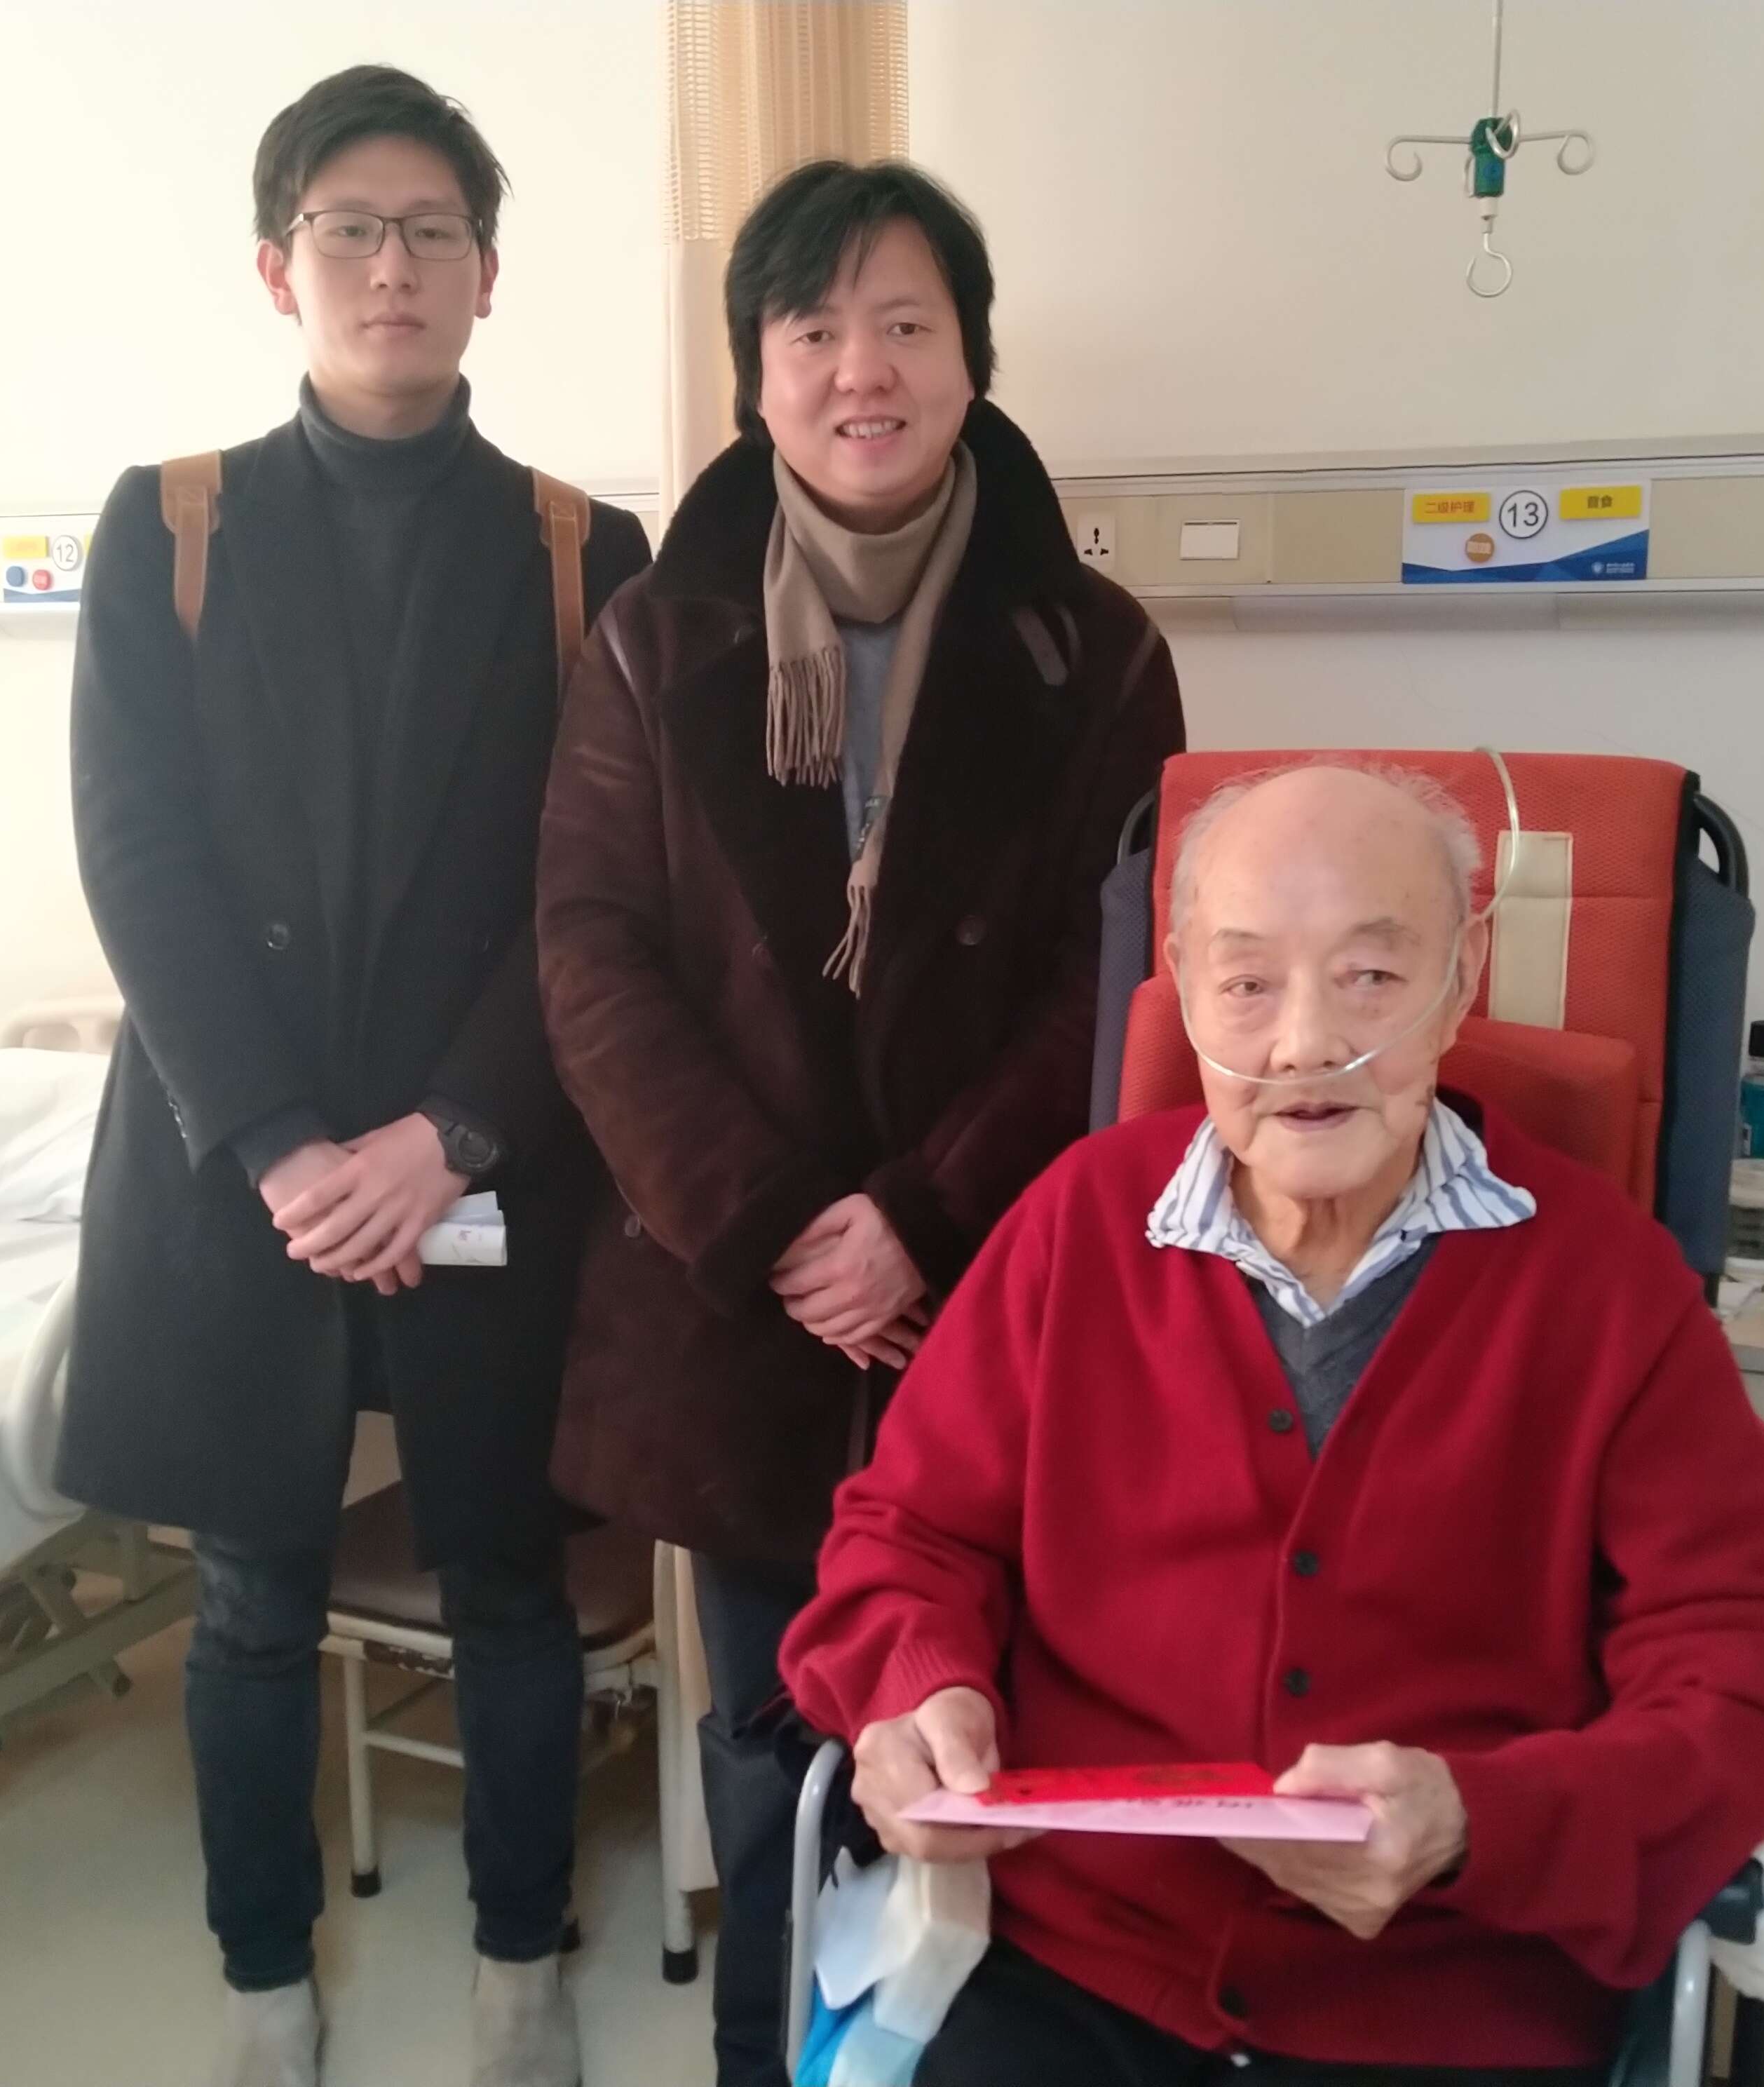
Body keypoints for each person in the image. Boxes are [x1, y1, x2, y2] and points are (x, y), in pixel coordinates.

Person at [780, 762, 1764, 2085]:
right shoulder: (1076, 1225)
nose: (1303, 1045)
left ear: (1463, 977)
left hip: (1451, 1997)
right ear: (1180, 987)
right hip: (1072, 1965)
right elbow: (906, 1536)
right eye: (1247, 982)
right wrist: (917, 1688)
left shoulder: (1608, 1286)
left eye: (1371, 976)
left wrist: (1481, 1822)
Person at [536, 159, 1187, 2085]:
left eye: (905, 323)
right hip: (740, 1307)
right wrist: (776, 1228)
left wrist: (917, 1216)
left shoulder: (1098, 648)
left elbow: (1121, 969)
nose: (859, 369)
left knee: (988, 1753)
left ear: (972, 358)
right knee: (772, 1757)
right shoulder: (654, 635)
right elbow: (589, 950)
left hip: (987, 1297)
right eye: (812, 329)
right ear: (756, 372)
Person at [62, 64, 649, 2087]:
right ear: (277, 267)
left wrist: (448, 1134)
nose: (390, 266)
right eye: (348, 230)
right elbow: (134, 855)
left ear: (487, 272)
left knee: (505, 1576)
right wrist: (285, 1149)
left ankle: (518, 1962)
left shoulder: (585, 549)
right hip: (245, 1152)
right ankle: (262, 1979)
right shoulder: (171, 525)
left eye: (430, 231)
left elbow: (595, 888)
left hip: (486, 1148)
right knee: (249, 1591)